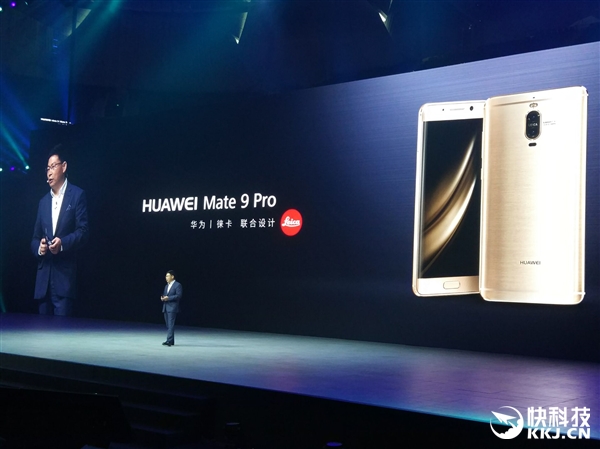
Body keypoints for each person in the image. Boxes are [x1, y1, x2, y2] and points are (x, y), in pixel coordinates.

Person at [31, 145, 89, 316]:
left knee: (61, 330)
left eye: (53, 166)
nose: (49, 172)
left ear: (63, 167)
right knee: (41, 329)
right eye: (47, 168)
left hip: (64, 281)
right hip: (43, 282)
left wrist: (62, 244)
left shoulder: (77, 195)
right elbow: (34, 238)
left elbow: (83, 231)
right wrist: (39, 248)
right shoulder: (43, 202)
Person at [161, 270, 182, 346]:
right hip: (166, 307)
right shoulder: (166, 286)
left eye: (167, 276)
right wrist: (163, 298)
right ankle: (171, 340)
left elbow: (179, 295)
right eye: (166, 276)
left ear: (172, 276)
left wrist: (168, 298)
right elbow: (165, 294)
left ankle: (169, 341)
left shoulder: (177, 285)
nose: (166, 277)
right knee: (168, 325)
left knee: (170, 325)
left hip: (172, 307)